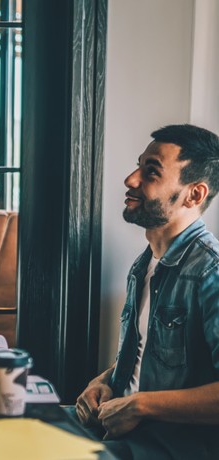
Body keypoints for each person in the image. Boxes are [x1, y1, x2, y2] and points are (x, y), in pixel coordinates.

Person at [75, 124, 219, 459]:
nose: (131, 179)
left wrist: (140, 406)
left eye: (151, 171)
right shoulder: (144, 265)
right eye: (139, 165)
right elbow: (147, 357)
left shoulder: (211, 272)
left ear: (194, 195)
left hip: (168, 448)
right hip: (115, 433)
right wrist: (103, 381)